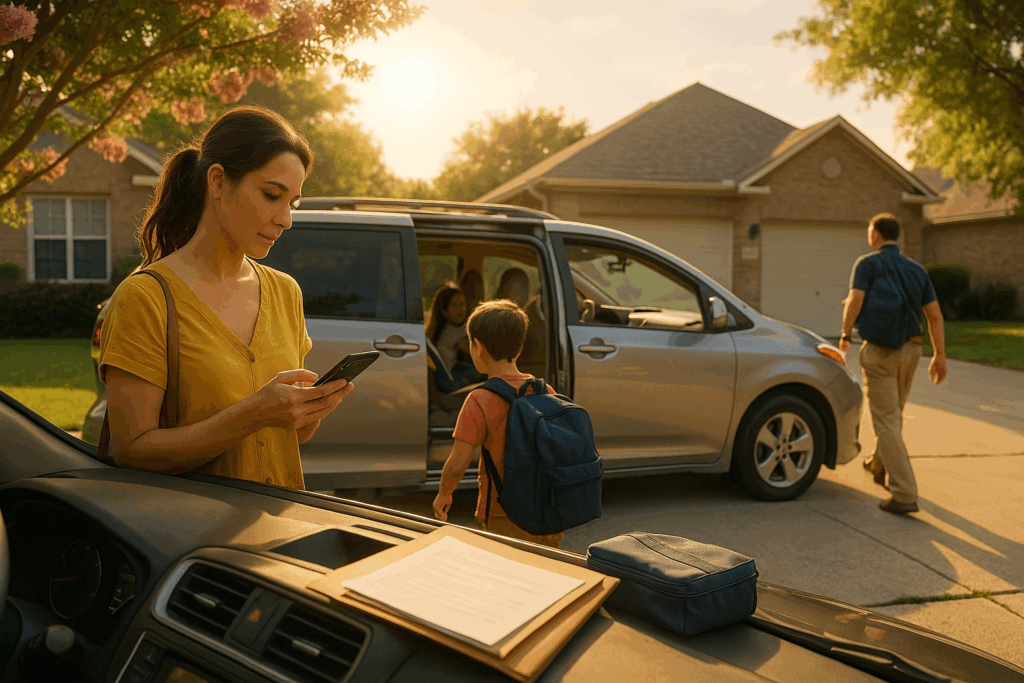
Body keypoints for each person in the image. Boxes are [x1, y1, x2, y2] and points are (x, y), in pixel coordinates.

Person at [99, 106, 354, 489]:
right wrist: (253, 413)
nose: (286, 218)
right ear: (217, 181)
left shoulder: (285, 292)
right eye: (272, 195)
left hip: (278, 533)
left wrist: (311, 410)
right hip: (189, 542)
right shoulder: (146, 297)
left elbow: (294, 437)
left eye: (293, 203)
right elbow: (132, 450)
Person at [432, 299, 564, 548]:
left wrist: (444, 493)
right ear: (520, 346)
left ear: (477, 347)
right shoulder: (543, 389)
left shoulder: (479, 399)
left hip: (504, 513)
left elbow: (457, 463)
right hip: (548, 509)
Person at [838, 213, 947, 514]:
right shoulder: (917, 270)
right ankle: (877, 463)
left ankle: (904, 493)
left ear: (875, 235)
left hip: (880, 352)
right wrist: (939, 355)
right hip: (912, 350)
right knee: (894, 414)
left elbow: (855, 300)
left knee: (886, 419)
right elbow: (934, 316)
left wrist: (845, 333)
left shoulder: (867, 264)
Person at [424, 282, 484, 389]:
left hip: (450, 373)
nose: (461, 309)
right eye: (455, 306)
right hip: (449, 382)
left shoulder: (443, 328)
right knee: (483, 373)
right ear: (445, 312)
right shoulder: (456, 331)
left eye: (462, 305)